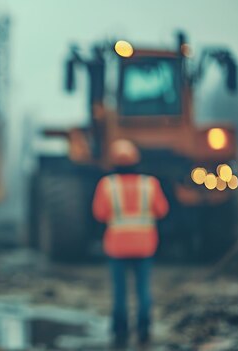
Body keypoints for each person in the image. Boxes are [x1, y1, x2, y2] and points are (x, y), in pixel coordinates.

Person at [92, 139, 169, 347]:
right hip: (144, 245)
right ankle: (144, 329)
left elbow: (99, 214)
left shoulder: (106, 185)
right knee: (144, 289)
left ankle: (120, 330)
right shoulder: (150, 184)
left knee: (119, 291)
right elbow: (162, 210)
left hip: (117, 246)